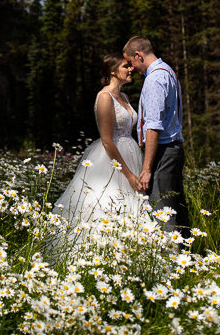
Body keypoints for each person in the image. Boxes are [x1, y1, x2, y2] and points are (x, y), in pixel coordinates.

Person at [52, 53, 145, 227]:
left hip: (131, 154)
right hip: (113, 159)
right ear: (112, 71)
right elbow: (107, 140)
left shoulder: (124, 97)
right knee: (108, 202)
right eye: (126, 66)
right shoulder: (104, 97)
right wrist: (129, 176)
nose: (131, 69)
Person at [123, 36, 191, 237]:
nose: (132, 68)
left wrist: (147, 168)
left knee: (163, 211)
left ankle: (173, 262)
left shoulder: (154, 79)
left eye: (131, 62)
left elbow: (153, 127)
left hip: (163, 150)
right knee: (177, 208)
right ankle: (189, 256)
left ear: (139, 55)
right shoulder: (168, 71)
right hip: (174, 148)